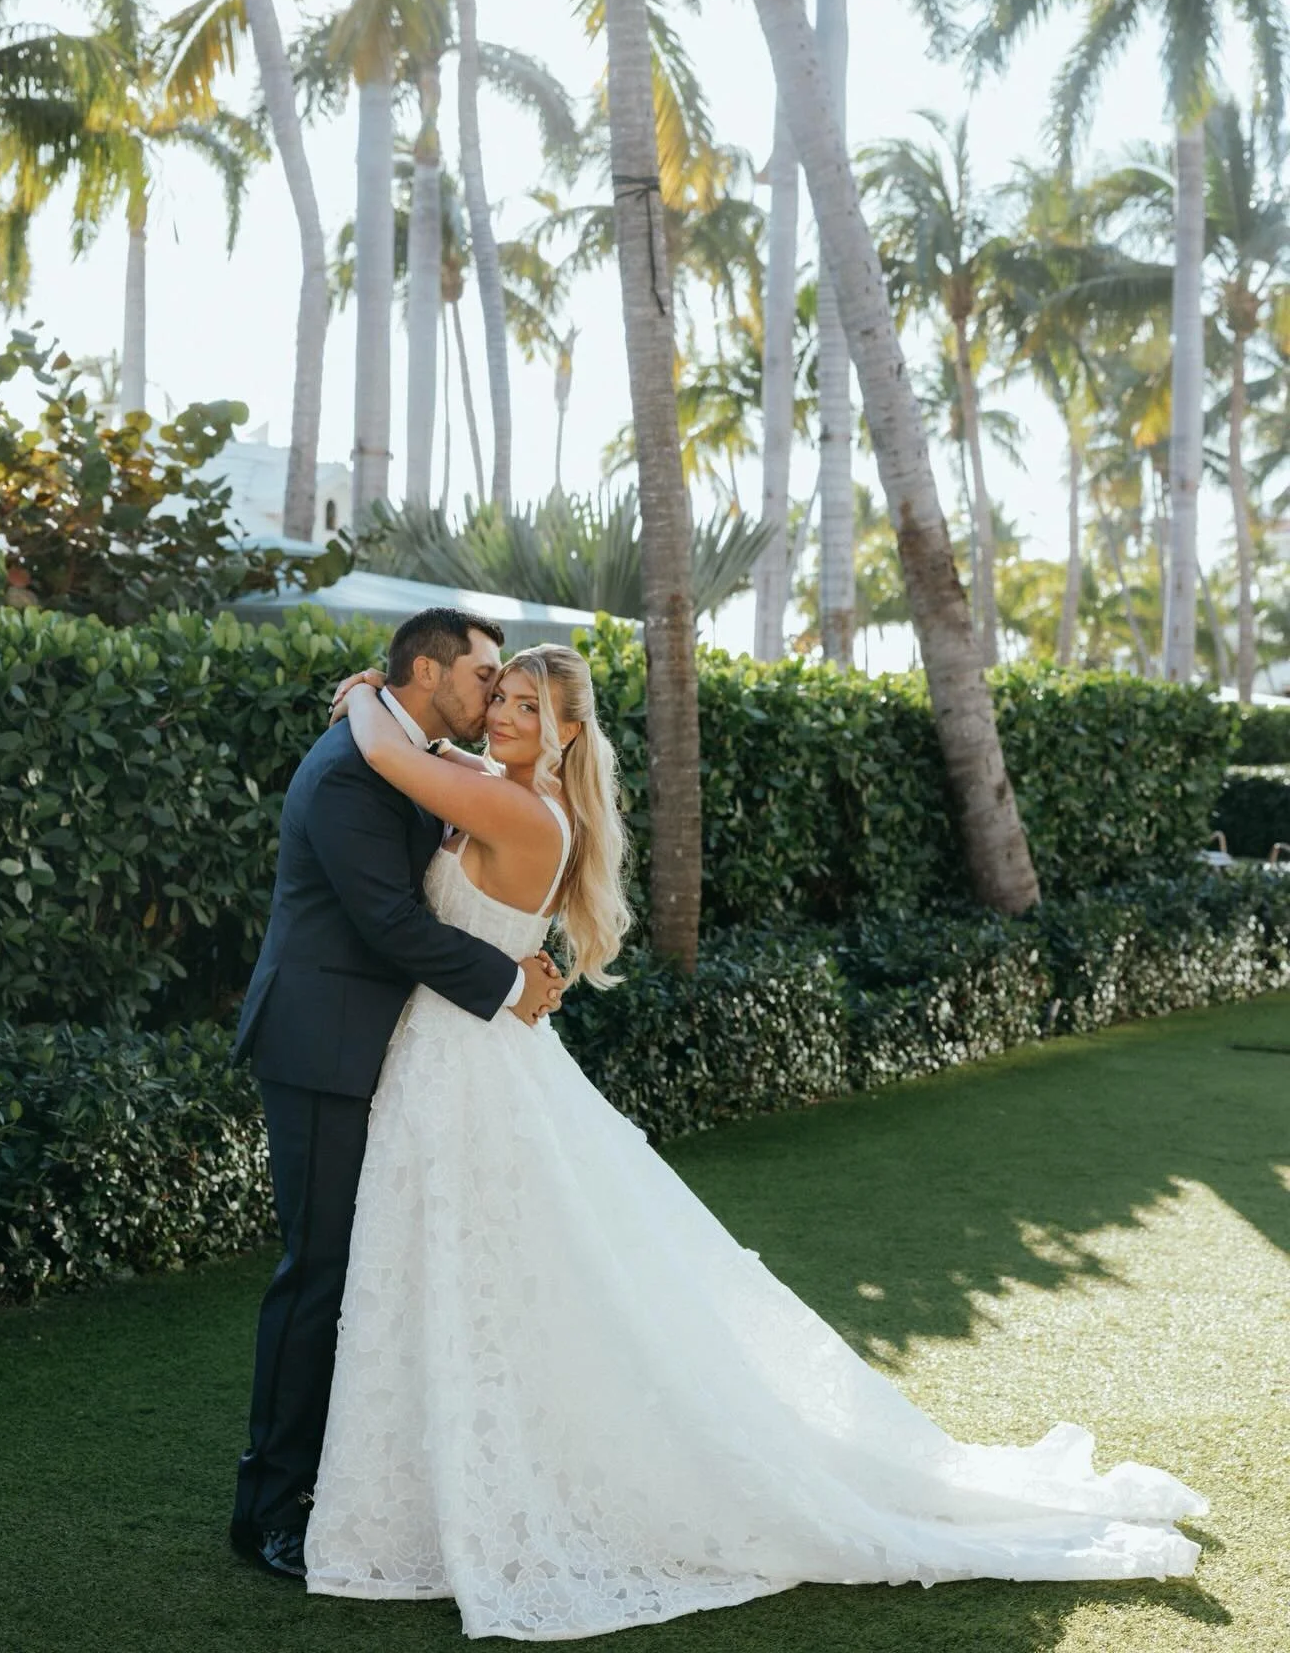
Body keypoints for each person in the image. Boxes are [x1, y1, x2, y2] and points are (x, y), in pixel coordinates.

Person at [299, 642, 1207, 1641]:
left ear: (565, 732)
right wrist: (387, 708)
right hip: (455, 1059)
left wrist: (367, 696)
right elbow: (424, 761)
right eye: (502, 697)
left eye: (527, 705)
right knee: (469, 1281)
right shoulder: (503, 788)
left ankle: (484, 1493)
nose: (505, 715)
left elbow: (392, 760)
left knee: (486, 1278)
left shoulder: (518, 808)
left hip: (466, 1066)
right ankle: (444, 1489)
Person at [229, 608, 564, 1582]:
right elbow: (383, 921)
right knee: (318, 1273)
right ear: (426, 669)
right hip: (321, 1045)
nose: (493, 696)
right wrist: (507, 986)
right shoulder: (348, 772)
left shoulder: (393, 749)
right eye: (483, 677)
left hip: (367, 1044)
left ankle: (337, 1479)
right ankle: (267, 1512)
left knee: (352, 1268)